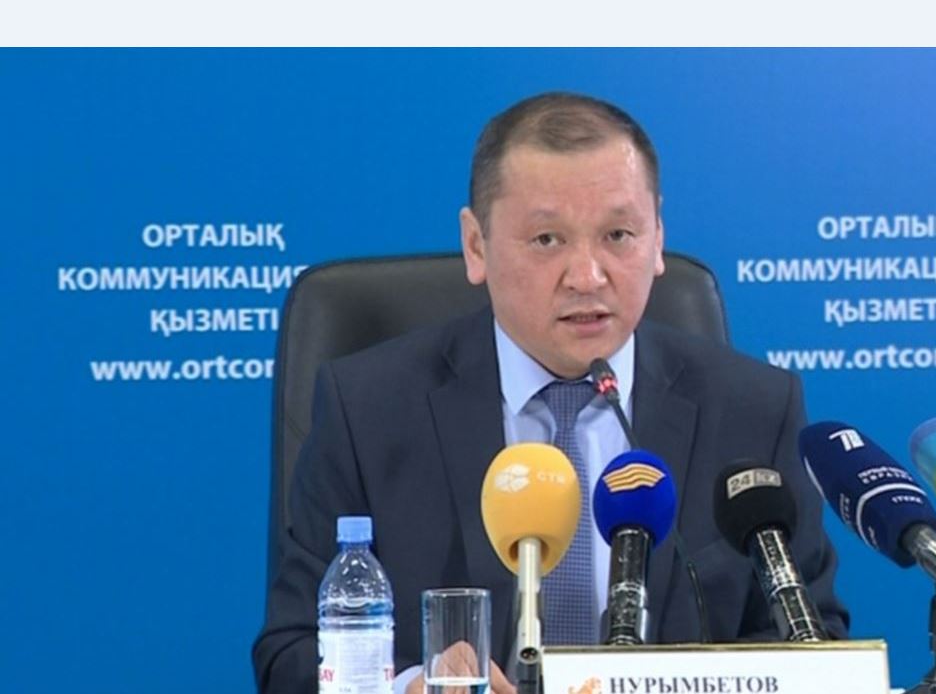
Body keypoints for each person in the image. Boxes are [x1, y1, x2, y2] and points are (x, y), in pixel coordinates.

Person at [252, 92, 849, 693]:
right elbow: (290, 654)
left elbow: (815, 647)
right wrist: (410, 686)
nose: (587, 276)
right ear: (476, 245)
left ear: (657, 235)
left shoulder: (754, 410)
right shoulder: (369, 409)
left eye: (618, 234)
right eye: (546, 240)